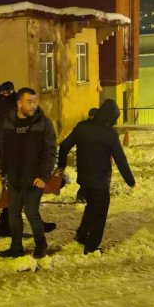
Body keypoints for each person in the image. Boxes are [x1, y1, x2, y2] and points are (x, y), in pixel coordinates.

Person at [58, 99, 135, 255]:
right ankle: (92, 246)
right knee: (99, 213)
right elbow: (120, 159)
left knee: (91, 207)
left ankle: (81, 234)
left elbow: (65, 145)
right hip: (100, 180)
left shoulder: (82, 127)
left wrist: (61, 164)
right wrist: (130, 180)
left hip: (85, 178)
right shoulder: (110, 134)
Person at [0, 81, 57, 237]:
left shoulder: (43, 123)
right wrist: (2, 169)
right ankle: (16, 247)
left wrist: (43, 175)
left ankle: (40, 246)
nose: (33, 105)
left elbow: (51, 151)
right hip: (15, 177)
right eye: (29, 102)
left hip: (34, 177)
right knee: (13, 213)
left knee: (31, 213)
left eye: (35, 101)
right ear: (19, 103)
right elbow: (4, 148)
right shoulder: (9, 122)